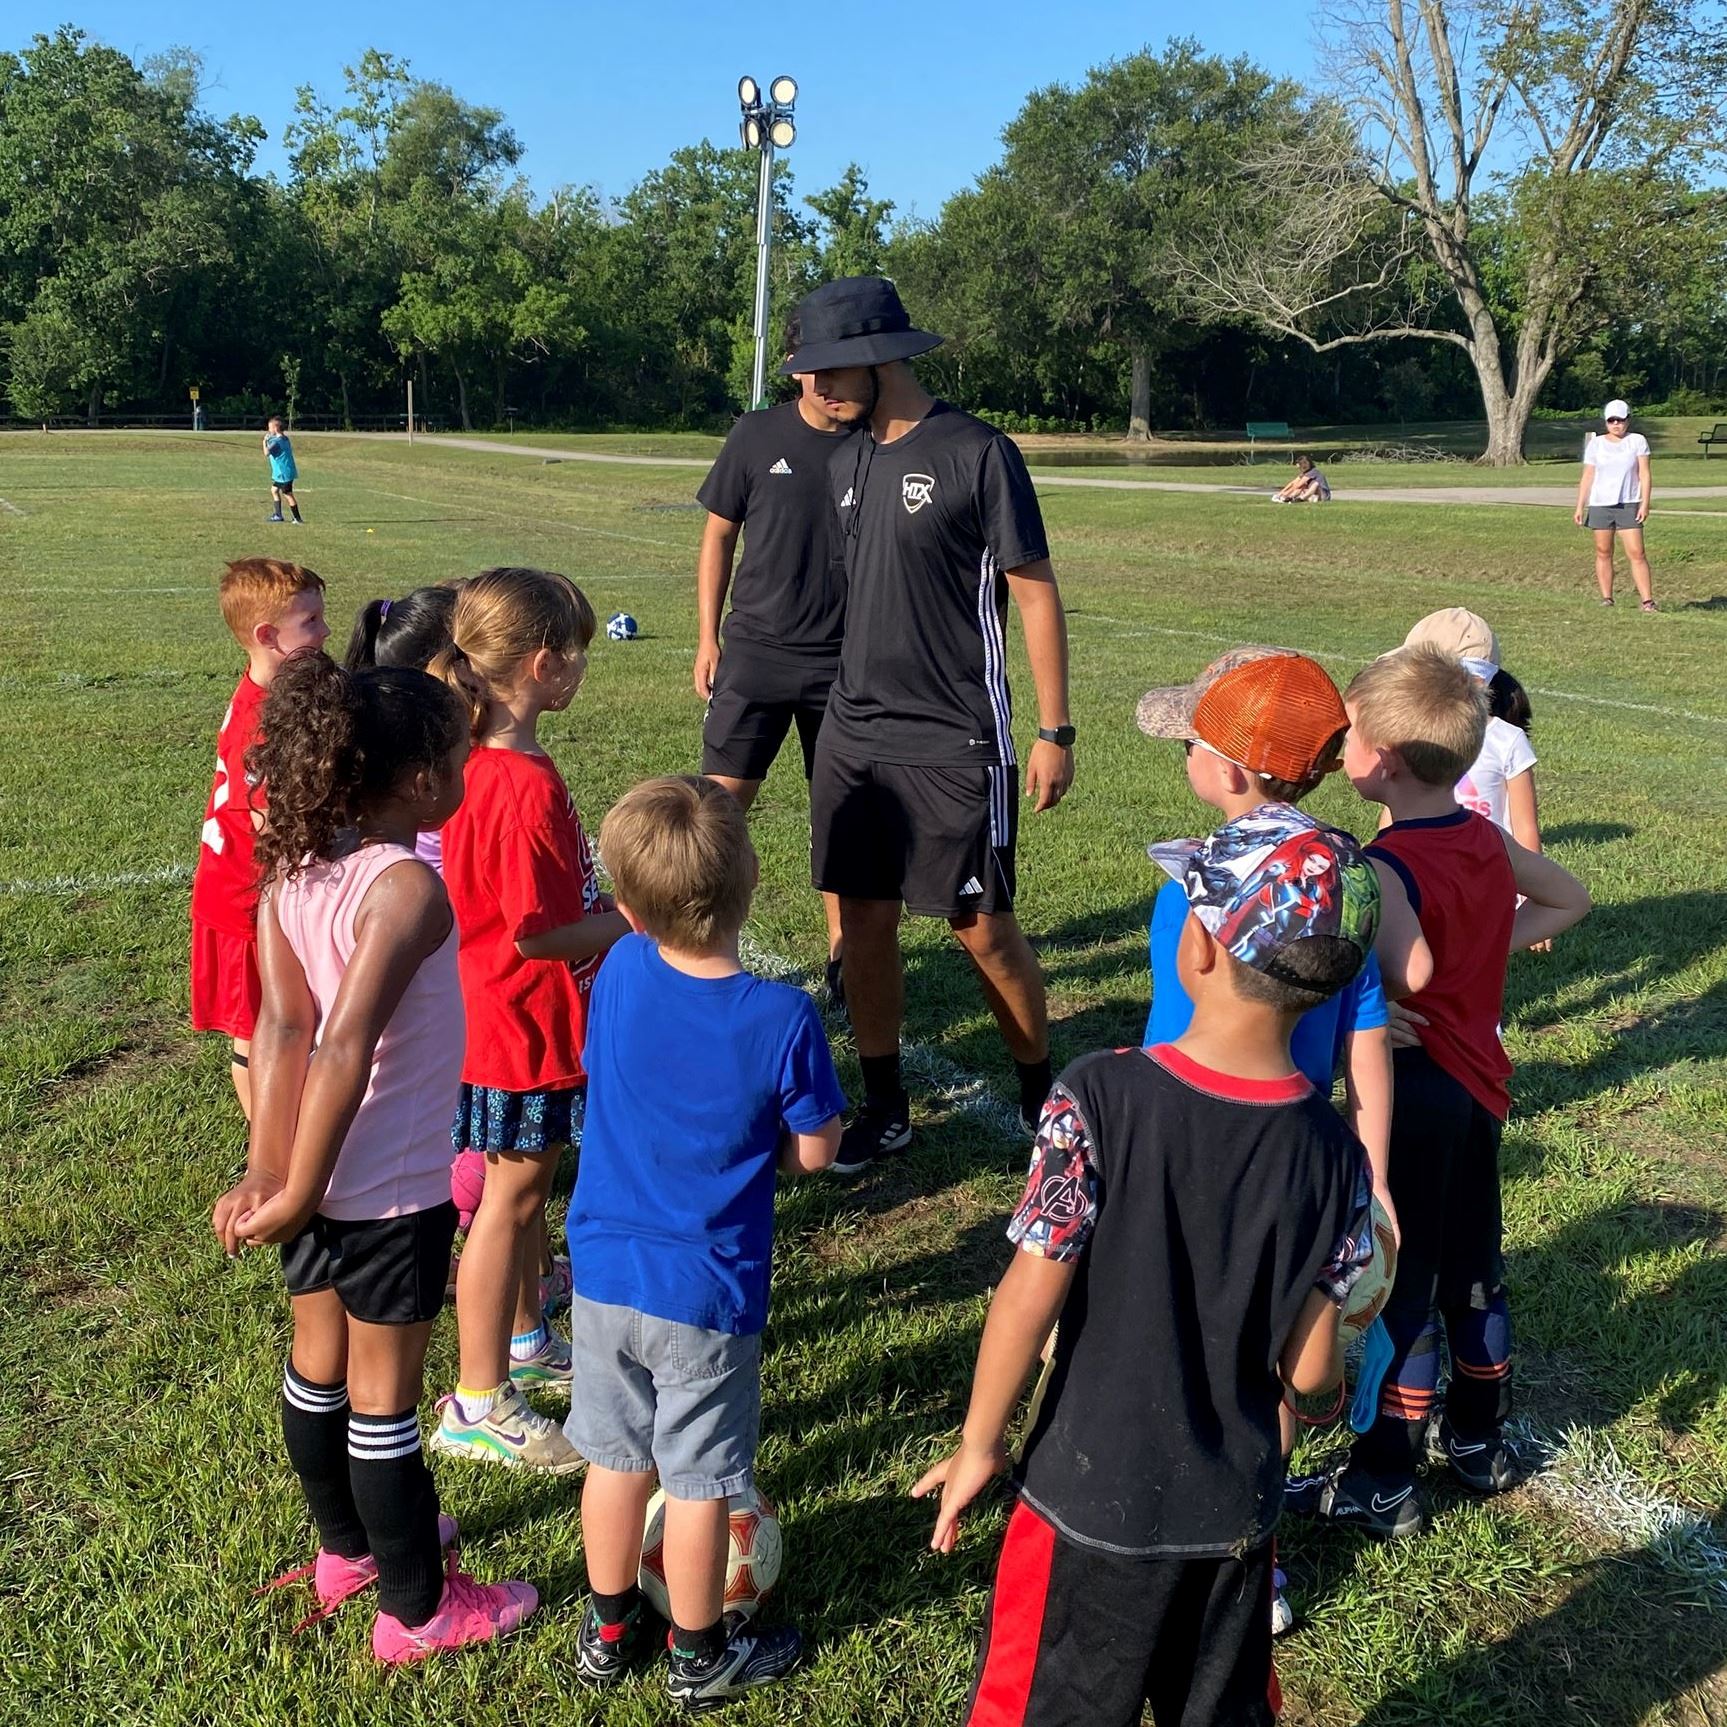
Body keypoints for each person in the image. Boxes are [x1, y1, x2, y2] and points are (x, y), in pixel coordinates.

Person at [913, 808, 1380, 1727]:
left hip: (1083, 1503)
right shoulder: (1336, 1154)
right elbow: (1313, 1371)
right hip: (1234, 1513)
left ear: (1199, 947)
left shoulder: (1098, 1094)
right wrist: (1320, 1400)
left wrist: (979, 1442)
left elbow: (1026, 1295)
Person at [210, 654, 537, 1662]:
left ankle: (344, 1552)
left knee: (318, 1374)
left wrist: (276, 1173)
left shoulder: (292, 874)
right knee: (384, 1404)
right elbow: (341, 1041)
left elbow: (279, 1029)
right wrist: (302, 1181)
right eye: (452, 757)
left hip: (311, 1177)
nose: (463, 769)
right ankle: (418, 1609)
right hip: (388, 1191)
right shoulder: (407, 890)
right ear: (416, 782)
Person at [1135, 645, 1426, 1637]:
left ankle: (1158, 1532)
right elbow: (1368, 1048)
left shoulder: (1188, 892)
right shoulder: (1345, 881)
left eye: (1185, 741)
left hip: (1186, 1158)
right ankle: (1251, 1568)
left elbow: (1163, 1043)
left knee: (1170, 1348)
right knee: (1271, 1367)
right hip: (1299, 1162)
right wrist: (1372, 1178)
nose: (1182, 757)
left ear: (1222, 767)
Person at [1289, 646, 1590, 1538]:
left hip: (1417, 1088)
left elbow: (1408, 965)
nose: (1339, 746)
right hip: (1481, 1089)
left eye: (1346, 734)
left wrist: (1411, 993)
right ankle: (1478, 1440)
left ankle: (1382, 1475)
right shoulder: (1480, 832)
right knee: (1473, 1267)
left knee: (1398, 1282)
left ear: (1379, 758)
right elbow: (1568, 899)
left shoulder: (1379, 862)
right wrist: (1480, 959)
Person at [563, 776, 843, 1709]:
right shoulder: (782, 1017)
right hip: (707, 1289)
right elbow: (813, 1151)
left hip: (604, 1270)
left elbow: (610, 1073)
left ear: (631, 905)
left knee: (615, 1460)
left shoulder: (620, 972)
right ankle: (698, 1657)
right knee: (696, 1483)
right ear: (752, 878)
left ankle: (606, 1632)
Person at [789, 276, 1075, 1171]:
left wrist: (1052, 729)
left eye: (829, 371)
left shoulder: (979, 452)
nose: (814, 390)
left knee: (981, 927)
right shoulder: (840, 461)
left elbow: (1034, 592)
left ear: (882, 359)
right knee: (862, 923)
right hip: (852, 735)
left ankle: (1042, 1097)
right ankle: (886, 1106)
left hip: (953, 735)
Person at [425, 568, 630, 1474]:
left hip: (509, 1014)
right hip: (518, 1023)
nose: (586, 663)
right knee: (506, 1205)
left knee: (525, 1192)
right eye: (577, 649)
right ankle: (478, 1401)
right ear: (545, 664)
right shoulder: (517, 782)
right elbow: (537, 932)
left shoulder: (491, 759)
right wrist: (637, 917)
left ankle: (521, 1340)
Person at [694, 312, 858, 1006]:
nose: (823, 384)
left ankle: (846, 959)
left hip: (845, 667)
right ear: (794, 367)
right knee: (716, 813)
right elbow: (717, 536)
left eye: (837, 369)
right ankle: (699, 949)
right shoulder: (755, 434)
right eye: (810, 368)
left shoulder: (876, 445)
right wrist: (707, 637)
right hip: (756, 655)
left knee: (843, 818)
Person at [190, 557, 330, 1120]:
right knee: (258, 1034)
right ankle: (269, 1142)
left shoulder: (267, 694)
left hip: (249, 899)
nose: (324, 633)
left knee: (279, 1023)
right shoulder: (264, 720)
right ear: (268, 637)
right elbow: (268, 824)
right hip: (244, 907)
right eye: (312, 622)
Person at [1402, 609, 1542, 855]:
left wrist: (1532, 890)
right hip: (1427, 870)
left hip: (1488, 874)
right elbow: (1395, 814)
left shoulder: (1507, 740)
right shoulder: (1412, 735)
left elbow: (1525, 827)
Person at [1574, 399, 1654, 610]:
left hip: (1628, 503)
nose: (1616, 424)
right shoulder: (1597, 444)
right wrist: (1580, 506)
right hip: (1601, 503)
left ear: (1628, 420)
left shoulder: (1637, 441)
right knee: (1603, 551)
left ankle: (1647, 600)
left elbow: (1644, 473)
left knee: (1637, 552)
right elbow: (1588, 475)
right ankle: (1607, 597)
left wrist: (1645, 503)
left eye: (1620, 420)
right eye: (1612, 421)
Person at [264, 417, 303, 525]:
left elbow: (266, 453)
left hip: (284, 473)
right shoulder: (285, 439)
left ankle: (297, 518)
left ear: (276, 428)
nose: (269, 430)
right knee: (274, 490)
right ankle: (278, 515)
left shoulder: (277, 442)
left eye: (270, 427)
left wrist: (265, 441)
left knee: (288, 494)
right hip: (282, 473)